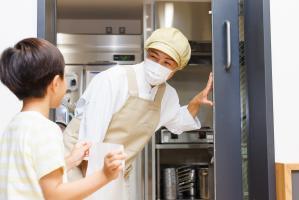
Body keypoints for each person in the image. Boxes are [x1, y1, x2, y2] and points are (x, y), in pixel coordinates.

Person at [63, 27, 213, 197]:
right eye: (153, 57)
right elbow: (89, 141)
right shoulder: (113, 80)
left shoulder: (167, 96)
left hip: (112, 170)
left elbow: (178, 121)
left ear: (177, 68)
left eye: (167, 63)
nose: (157, 66)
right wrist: (94, 187)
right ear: (146, 52)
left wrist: (196, 101)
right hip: (76, 166)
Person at [0, 38, 126, 199]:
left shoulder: (15, 125)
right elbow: (55, 194)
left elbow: (32, 177)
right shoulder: (46, 129)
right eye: (64, 77)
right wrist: (105, 175)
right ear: (55, 83)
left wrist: (71, 160)